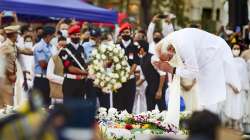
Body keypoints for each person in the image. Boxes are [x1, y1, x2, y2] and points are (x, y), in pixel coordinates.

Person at [152, 28, 241, 125]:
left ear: (170, 49)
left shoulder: (183, 45)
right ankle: (206, 125)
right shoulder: (167, 42)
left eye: (169, 58)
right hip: (204, 59)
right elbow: (155, 57)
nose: (170, 61)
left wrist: (172, 69)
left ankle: (210, 128)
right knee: (203, 98)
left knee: (210, 98)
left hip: (213, 54)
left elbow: (192, 73)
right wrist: (161, 64)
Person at [0, 25, 32, 108]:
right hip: (5, 78)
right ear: (13, 35)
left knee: (10, 101)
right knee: (6, 104)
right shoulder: (5, 46)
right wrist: (9, 74)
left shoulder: (13, 46)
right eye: (16, 34)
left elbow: (23, 51)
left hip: (11, 78)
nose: (17, 36)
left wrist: (34, 50)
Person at [114, 23, 139, 113]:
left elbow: (136, 62)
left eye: (127, 32)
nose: (126, 34)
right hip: (118, 80)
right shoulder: (116, 46)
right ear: (120, 34)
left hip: (130, 79)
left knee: (129, 104)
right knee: (117, 104)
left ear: (131, 33)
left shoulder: (135, 47)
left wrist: (128, 75)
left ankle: (127, 124)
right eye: (124, 32)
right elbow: (112, 62)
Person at [223, 44, 249, 131]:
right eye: (234, 48)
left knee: (238, 106)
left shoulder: (242, 61)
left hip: (239, 89)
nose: (236, 50)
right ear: (231, 49)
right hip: (230, 88)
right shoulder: (227, 60)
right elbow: (225, 75)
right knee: (229, 106)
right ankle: (229, 125)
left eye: (238, 48)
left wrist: (241, 87)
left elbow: (245, 76)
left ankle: (237, 125)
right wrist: (232, 86)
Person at [59, 25, 88, 103]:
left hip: (81, 83)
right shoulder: (65, 50)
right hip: (70, 82)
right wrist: (86, 73)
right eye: (74, 35)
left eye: (78, 35)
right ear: (70, 36)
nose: (77, 37)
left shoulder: (81, 48)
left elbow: (84, 63)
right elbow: (70, 68)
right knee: (68, 108)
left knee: (79, 108)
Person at [137, 40, 167, 111]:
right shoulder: (141, 60)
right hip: (150, 87)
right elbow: (143, 76)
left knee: (162, 109)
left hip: (159, 87)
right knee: (150, 111)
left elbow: (163, 74)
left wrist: (159, 90)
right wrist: (134, 85)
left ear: (142, 49)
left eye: (137, 47)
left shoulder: (153, 58)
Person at [33, 26, 55, 107]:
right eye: (52, 36)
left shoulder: (51, 46)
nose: (53, 38)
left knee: (47, 105)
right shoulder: (39, 46)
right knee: (39, 106)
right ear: (48, 36)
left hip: (48, 79)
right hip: (41, 79)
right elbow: (43, 64)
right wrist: (55, 63)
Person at [47, 36, 67, 106]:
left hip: (69, 93)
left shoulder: (71, 59)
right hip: (57, 92)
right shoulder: (53, 59)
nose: (63, 48)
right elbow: (49, 75)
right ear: (57, 46)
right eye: (61, 45)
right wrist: (64, 80)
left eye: (65, 46)